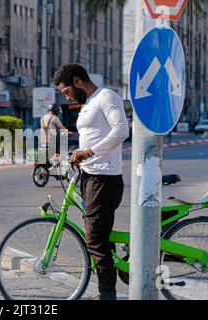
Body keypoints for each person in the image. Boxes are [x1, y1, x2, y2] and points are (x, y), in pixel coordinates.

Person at [54, 63, 129, 300]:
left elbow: (121, 130)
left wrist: (88, 153)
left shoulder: (107, 97)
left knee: (94, 240)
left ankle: (107, 295)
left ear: (77, 81)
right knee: (101, 235)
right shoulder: (89, 104)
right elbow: (94, 136)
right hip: (90, 176)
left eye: (66, 91)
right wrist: (75, 153)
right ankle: (118, 274)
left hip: (104, 179)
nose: (66, 97)